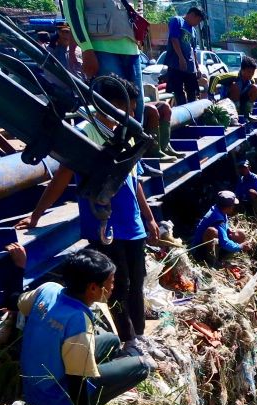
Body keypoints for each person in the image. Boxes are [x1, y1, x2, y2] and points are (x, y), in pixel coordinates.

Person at [18, 78, 158, 353]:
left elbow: (134, 180)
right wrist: (36, 215)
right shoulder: (85, 135)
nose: (129, 114)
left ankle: (140, 335)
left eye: (131, 109)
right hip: (106, 227)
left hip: (132, 225)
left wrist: (149, 217)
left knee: (136, 283)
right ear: (106, 106)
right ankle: (128, 340)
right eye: (124, 108)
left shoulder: (126, 134)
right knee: (117, 286)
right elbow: (61, 178)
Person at [19, 249, 152, 405]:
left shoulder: (48, 290)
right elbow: (76, 378)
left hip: (32, 391)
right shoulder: (78, 320)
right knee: (142, 366)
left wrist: (19, 268)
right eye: (110, 282)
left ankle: (102, 373)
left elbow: (17, 302)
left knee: (112, 340)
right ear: (93, 288)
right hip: (56, 401)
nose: (113, 287)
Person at [66, 0, 178, 159]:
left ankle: (136, 161)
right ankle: (116, 158)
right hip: (102, 47)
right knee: (112, 108)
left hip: (131, 49)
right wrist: (86, 48)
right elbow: (73, 12)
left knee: (136, 107)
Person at [193, 190, 251, 265]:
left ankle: (224, 257)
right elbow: (224, 242)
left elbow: (224, 226)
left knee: (240, 234)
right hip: (200, 250)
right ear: (229, 207)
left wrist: (228, 229)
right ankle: (213, 261)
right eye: (232, 205)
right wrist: (240, 246)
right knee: (212, 232)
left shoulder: (219, 209)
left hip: (214, 242)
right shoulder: (218, 219)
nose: (233, 207)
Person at [165, 7, 206, 106]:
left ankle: (192, 115)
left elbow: (193, 50)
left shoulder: (193, 31)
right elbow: (174, 39)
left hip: (190, 68)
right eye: (198, 20)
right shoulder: (177, 21)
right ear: (192, 15)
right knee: (179, 94)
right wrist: (181, 58)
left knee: (192, 93)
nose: (197, 24)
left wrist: (197, 67)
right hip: (176, 65)